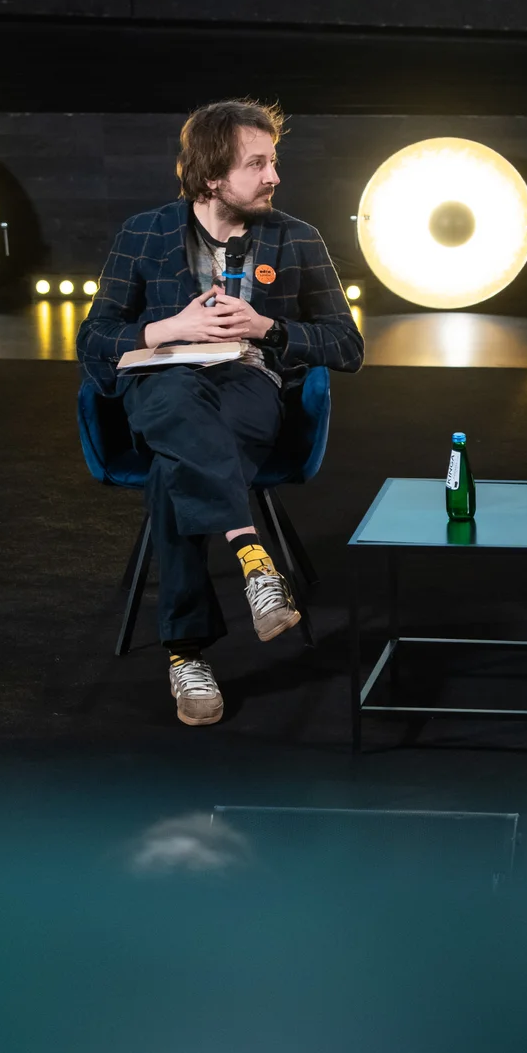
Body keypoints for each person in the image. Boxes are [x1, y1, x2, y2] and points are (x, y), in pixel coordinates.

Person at [78, 100, 363, 726]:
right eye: (256, 164)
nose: (274, 176)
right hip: (162, 385)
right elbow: (92, 338)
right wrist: (168, 329)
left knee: (172, 467)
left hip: (248, 389)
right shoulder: (144, 233)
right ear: (211, 175)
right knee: (176, 398)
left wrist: (267, 328)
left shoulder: (297, 238)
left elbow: (348, 346)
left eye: (273, 162)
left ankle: (186, 655)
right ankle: (253, 556)